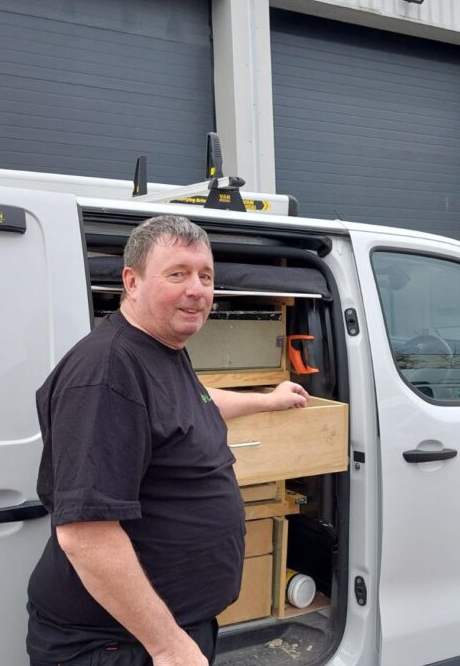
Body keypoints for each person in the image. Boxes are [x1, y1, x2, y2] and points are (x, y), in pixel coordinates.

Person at [27, 215, 309, 666]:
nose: (196, 289)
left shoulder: (161, 347)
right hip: (119, 646)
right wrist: (169, 646)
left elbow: (192, 403)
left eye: (205, 275)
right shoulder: (107, 372)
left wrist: (266, 400)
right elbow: (86, 535)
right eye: (177, 274)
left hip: (164, 631)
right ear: (132, 282)